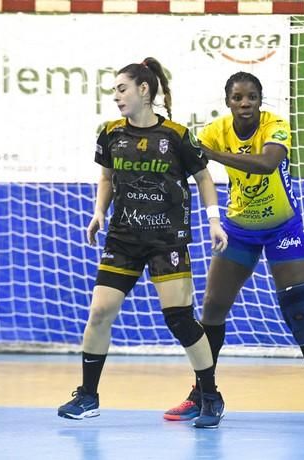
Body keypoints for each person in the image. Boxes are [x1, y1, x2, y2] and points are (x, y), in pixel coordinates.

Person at [57, 57, 229, 429]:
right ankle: (88, 396)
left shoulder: (176, 136)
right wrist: (98, 213)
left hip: (167, 240)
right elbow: (106, 178)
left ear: (144, 90)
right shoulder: (110, 133)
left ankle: (210, 395)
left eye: (122, 89)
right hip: (123, 237)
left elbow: (203, 178)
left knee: (180, 320)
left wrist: (214, 220)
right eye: (115, 91)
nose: (117, 96)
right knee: (100, 312)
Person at [162, 71, 304, 425]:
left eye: (252, 97)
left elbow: (267, 163)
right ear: (228, 101)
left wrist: (210, 153)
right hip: (238, 229)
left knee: (299, 307)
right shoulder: (216, 129)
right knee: (211, 309)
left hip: (282, 228)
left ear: (260, 100)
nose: (245, 104)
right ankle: (203, 393)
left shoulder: (275, 126)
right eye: (238, 97)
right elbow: (187, 159)